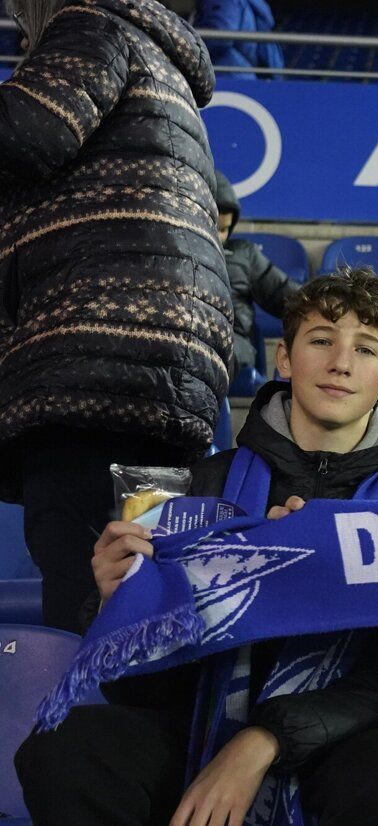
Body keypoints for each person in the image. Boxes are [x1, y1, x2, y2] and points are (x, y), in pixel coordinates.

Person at [16, 269, 378, 826]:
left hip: (337, 735)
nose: (340, 362)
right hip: (198, 723)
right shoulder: (191, 486)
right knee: (66, 747)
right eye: (321, 340)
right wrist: (117, 604)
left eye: (365, 348)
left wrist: (265, 740)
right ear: (284, 360)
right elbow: (136, 688)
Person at [0, 0, 232, 631]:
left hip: (94, 359)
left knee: (84, 590)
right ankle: (133, 721)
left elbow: (27, 130)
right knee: (141, 585)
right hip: (157, 367)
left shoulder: (91, 24)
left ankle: (83, 726)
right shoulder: (152, 52)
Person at [214, 170, 298, 377]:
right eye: (212, 225)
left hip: (233, 345)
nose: (219, 236)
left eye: (224, 229)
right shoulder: (172, 252)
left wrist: (333, 302)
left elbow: (289, 297)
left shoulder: (244, 254)